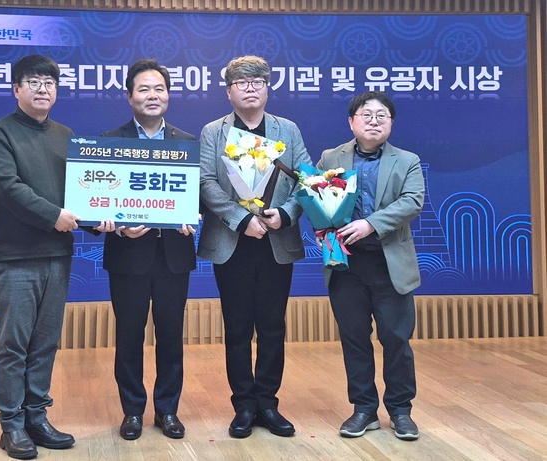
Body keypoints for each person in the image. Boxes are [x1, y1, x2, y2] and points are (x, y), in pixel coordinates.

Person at [0, 54, 90, 460]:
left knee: (45, 343)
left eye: (49, 83)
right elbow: (8, 188)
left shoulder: (66, 135)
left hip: (58, 254)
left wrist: (101, 219)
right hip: (16, 257)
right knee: (13, 345)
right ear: (16, 89)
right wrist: (53, 216)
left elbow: (83, 192)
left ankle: (37, 417)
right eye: (34, 82)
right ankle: (11, 424)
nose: (43, 89)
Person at [198, 55, 311, 438]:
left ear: (267, 88)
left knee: (273, 326)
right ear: (228, 91)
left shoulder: (287, 130)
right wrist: (241, 219)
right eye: (242, 83)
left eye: (258, 81)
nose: (250, 88)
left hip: (276, 240)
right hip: (233, 241)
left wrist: (287, 214)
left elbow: (305, 178)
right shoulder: (213, 131)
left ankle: (268, 403)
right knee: (237, 327)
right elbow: (206, 182)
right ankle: (244, 405)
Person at [316, 91, 424, 441]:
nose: (374, 121)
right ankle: (363, 409)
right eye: (366, 114)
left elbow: (412, 201)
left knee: (396, 340)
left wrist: (370, 224)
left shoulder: (407, 161)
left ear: (391, 123)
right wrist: (322, 226)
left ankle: (401, 410)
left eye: (382, 115)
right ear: (352, 122)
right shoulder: (330, 157)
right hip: (345, 264)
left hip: (389, 263)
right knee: (354, 340)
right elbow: (316, 197)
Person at [100, 58, 197, 441]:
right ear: (130, 96)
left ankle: (168, 410)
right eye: (144, 89)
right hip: (128, 257)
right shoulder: (109, 142)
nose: (152, 95)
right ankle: (132, 412)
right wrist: (116, 224)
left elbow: (201, 196)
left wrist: (194, 215)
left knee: (171, 337)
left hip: (174, 256)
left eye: (159, 89)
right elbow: (93, 204)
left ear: (168, 95)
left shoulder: (187, 142)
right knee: (129, 337)